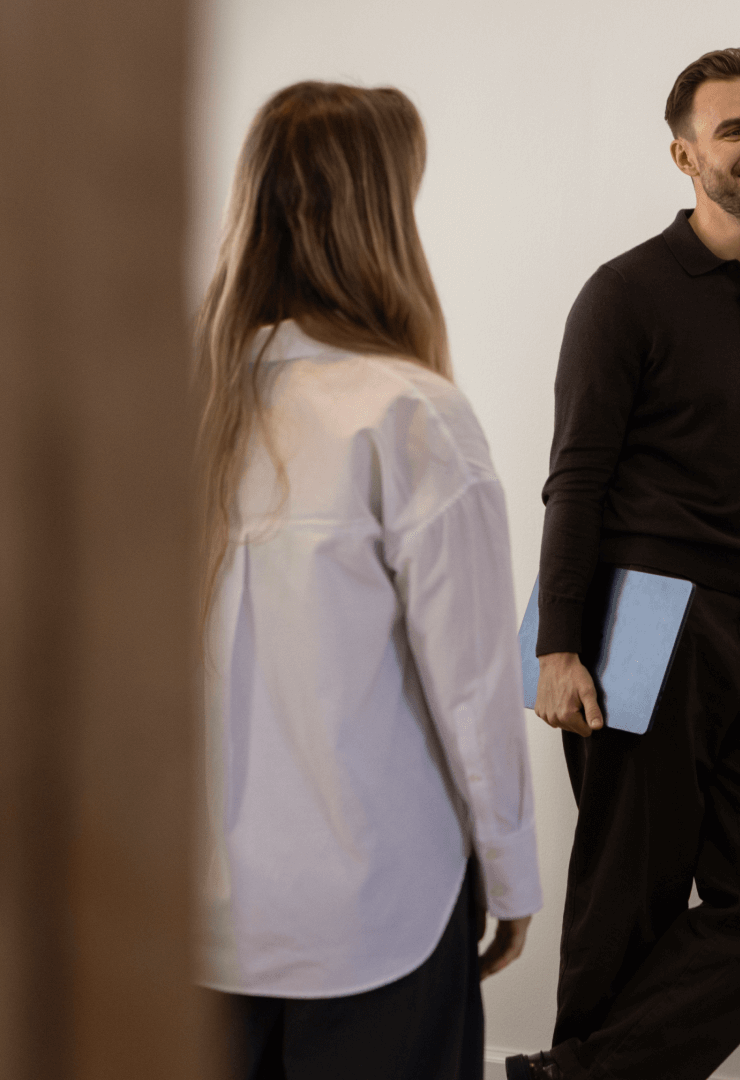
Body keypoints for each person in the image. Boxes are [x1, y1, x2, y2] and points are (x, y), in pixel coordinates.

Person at [508, 47, 740, 1080]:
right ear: (685, 156)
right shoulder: (624, 294)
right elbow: (575, 480)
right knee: (629, 898)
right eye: (733, 129)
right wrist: (558, 648)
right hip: (637, 613)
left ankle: (568, 1077)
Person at [195, 81, 540, 1080]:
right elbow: (474, 691)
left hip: (193, 922)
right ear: (381, 221)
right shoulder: (411, 416)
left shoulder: (172, 411)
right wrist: (513, 877)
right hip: (375, 920)